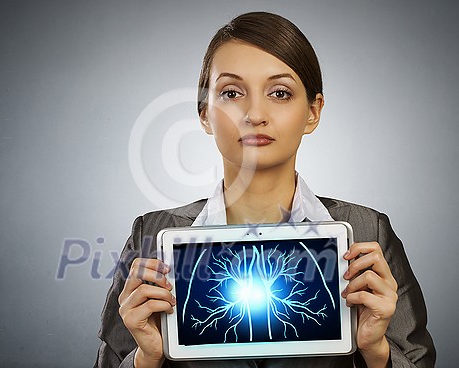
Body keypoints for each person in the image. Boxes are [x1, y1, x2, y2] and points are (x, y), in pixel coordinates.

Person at [94, 11, 435, 368]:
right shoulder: (152, 234)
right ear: (204, 114)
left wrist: (377, 352)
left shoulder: (367, 232)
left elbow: (418, 360)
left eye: (279, 92)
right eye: (231, 92)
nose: (255, 113)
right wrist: (144, 358)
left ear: (313, 112)